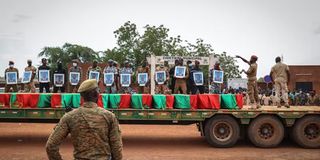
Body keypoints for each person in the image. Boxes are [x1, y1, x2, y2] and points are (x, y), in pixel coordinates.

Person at [46, 79, 123, 160]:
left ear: (82, 96)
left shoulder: (69, 116)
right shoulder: (109, 116)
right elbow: (116, 147)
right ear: (97, 94)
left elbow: (51, 145)